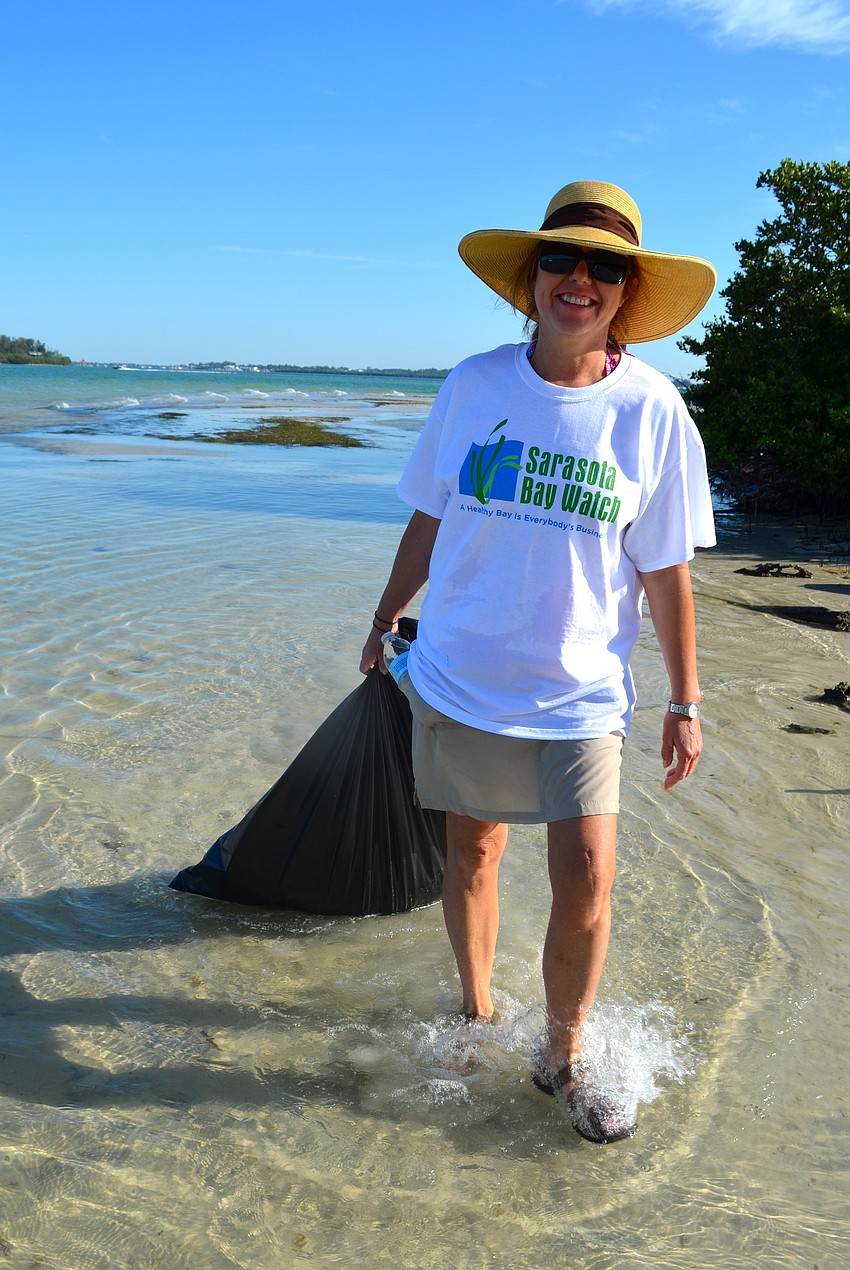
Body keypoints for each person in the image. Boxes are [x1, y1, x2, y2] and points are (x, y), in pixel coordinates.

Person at [359, 180, 716, 1144]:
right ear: (532, 279)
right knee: (473, 851)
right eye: (562, 258)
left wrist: (686, 700)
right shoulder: (475, 384)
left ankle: (563, 1052)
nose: (580, 279)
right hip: (463, 672)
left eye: (604, 266)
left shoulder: (652, 409)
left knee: (589, 875)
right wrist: (388, 611)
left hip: (585, 692)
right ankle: (476, 1014)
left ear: (624, 293)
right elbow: (431, 515)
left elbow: (668, 568)